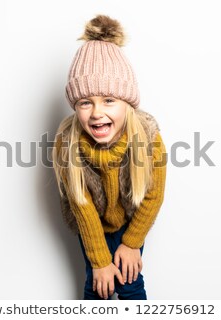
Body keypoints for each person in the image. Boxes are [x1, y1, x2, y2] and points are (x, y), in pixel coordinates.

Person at [52, 14, 167, 300]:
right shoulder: (69, 143)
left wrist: (131, 243)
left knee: (129, 282)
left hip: (130, 220)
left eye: (109, 100)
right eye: (85, 102)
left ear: (127, 104)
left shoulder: (148, 136)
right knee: (98, 284)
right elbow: (81, 204)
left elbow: (153, 195)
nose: (96, 112)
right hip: (92, 224)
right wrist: (100, 261)